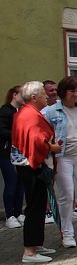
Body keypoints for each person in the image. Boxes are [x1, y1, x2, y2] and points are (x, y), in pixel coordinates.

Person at [42, 76, 77, 248]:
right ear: (63, 92)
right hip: (62, 157)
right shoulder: (52, 112)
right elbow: (45, 137)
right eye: (71, 91)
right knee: (66, 195)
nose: (75, 94)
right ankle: (67, 234)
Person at [12, 81, 62, 263]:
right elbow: (37, 141)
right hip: (31, 166)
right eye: (43, 94)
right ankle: (29, 251)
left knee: (39, 205)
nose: (46, 96)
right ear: (33, 97)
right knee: (34, 207)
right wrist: (53, 147)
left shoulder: (28, 113)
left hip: (30, 165)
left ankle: (36, 244)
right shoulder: (30, 115)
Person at [1, 85, 26, 228]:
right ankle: (9, 215)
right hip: (6, 152)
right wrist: (17, 135)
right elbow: (2, 131)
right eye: (22, 94)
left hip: (20, 151)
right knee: (11, 182)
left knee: (20, 182)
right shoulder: (5, 111)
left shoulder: (22, 111)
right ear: (15, 95)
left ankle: (18, 212)